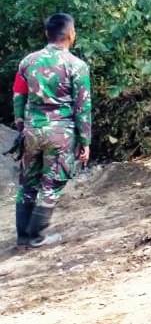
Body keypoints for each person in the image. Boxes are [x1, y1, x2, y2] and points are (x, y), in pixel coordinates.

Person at [11, 13, 92, 249]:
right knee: (51, 184)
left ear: (47, 34)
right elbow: (82, 106)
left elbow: (18, 96)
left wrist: (21, 127)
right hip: (61, 133)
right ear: (71, 34)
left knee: (28, 183)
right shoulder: (77, 66)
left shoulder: (27, 62)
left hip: (32, 131)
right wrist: (85, 140)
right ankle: (36, 236)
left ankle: (23, 236)